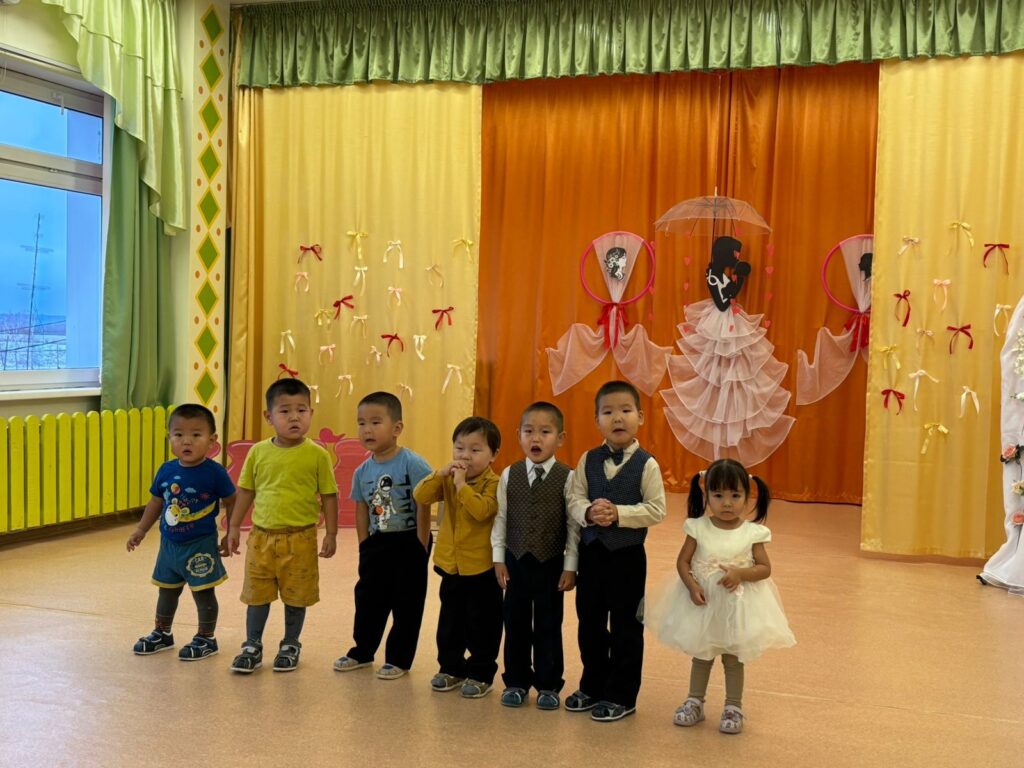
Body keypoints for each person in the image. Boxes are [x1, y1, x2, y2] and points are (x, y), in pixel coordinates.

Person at [651, 458, 795, 735]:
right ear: (706, 495)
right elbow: (683, 561)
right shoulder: (698, 527)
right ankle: (695, 701)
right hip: (704, 604)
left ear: (748, 495)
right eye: (718, 496)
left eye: (735, 496)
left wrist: (741, 573)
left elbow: (764, 569)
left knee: (733, 657)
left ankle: (733, 706)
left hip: (737, 606)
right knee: (702, 654)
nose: (727, 503)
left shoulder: (753, 533)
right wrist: (692, 585)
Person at [566, 381, 666, 722]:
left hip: (627, 557)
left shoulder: (647, 464)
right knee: (589, 623)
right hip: (592, 554)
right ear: (597, 420)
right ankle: (592, 685)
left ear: (641, 416)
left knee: (626, 626)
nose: (617, 418)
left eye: (625, 410)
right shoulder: (588, 459)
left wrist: (619, 514)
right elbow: (574, 498)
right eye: (608, 412)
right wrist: (588, 511)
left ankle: (622, 695)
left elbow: (657, 509)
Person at [224, 378, 339, 673]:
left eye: (301, 410)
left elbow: (329, 495)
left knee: (296, 595)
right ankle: (252, 645)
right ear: (269, 417)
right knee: (256, 594)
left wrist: (331, 533)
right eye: (285, 411)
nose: (294, 417)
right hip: (261, 539)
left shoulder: (318, 455)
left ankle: (290, 643)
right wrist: (234, 527)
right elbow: (246, 491)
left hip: (300, 539)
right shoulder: (258, 452)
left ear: (311, 413)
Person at [334, 392, 432, 679]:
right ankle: (362, 651)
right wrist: (364, 544)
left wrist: (421, 543)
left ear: (397, 428)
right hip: (376, 544)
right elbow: (361, 508)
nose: (367, 429)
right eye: (361, 423)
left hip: (409, 541)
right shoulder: (362, 471)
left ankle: (399, 659)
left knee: (407, 603)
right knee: (368, 600)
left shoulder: (412, 463)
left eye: (376, 422)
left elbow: (424, 503)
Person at [127, 404, 235, 660]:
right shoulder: (166, 470)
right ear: (169, 438)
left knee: (203, 592)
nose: (186, 441)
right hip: (169, 545)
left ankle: (206, 638)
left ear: (212, 440)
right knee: (167, 590)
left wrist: (231, 531)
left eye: (196, 435)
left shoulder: (215, 473)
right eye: (178, 434)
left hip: (200, 545)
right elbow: (156, 501)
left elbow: (232, 500)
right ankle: (162, 633)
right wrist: (141, 529)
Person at [492, 402, 579, 710]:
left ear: (561, 438)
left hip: (551, 563)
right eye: (529, 431)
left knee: (548, 624)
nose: (536, 438)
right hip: (515, 560)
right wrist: (498, 558)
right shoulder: (509, 474)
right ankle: (515, 681)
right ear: (518, 435)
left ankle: (548, 684)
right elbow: (501, 518)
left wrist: (570, 566)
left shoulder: (568, 477)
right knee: (514, 622)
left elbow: (573, 526)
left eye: (545, 432)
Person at [413, 417, 502, 699]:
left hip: (482, 568)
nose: (465, 456)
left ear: (493, 455)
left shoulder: (495, 483)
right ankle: (451, 667)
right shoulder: (448, 478)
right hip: (451, 565)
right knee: (450, 622)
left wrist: (462, 485)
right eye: (459, 448)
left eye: (476, 450)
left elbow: (482, 511)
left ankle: (481, 673)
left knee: (482, 624)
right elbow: (421, 495)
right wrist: (440, 474)